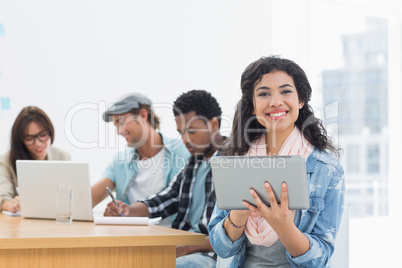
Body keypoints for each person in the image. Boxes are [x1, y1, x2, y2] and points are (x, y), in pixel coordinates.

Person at [208, 56, 345, 267]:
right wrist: (239, 213)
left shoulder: (326, 169)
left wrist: (284, 227)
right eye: (263, 94)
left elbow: (318, 260)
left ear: (300, 100)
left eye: (285, 91)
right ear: (252, 106)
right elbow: (222, 248)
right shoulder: (235, 159)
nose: (275, 101)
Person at [104, 90, 225, 268]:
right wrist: (128, 210)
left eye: (191, 131)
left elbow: (234, 233)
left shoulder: (234, 161)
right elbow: (164, 199)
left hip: (210, 255)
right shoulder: (195, 162)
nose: (185, 139)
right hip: (183, 249)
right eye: (181, 132)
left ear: (214, 124)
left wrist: (188, 247)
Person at [91, 93, 190, 214]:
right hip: (133, 232)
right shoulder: (120, 161)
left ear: (143, 115)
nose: (119, 131)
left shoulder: (185, 152)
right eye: (115, 125)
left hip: (173, 231)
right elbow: (91, 198)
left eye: (121, 122)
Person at [0, 106, 70, 213]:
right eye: (29, 138)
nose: (38, 143)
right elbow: (3, 196)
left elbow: (70, 197)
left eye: (43, 135)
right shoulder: (6, 160)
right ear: (21, 140)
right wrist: (10, 204)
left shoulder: (62, 157)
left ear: (50, 132)